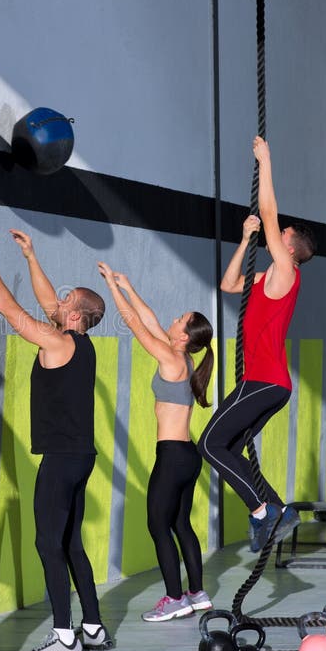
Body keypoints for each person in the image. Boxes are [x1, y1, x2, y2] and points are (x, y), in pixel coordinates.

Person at [0, 230, 112, 651]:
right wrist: (30, 256)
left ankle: (65, 637)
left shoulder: (59, 341)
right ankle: (93, 627)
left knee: (48, 544)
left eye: (66, 303)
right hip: (80, 456)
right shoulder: (79, 342)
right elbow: (49, 301)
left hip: (63, 458)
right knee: (70, 544)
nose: (58, 303)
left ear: (76, 315)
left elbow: (11, 313)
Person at [199, 136, 316, 553]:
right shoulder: (268, 278)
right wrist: (245, 241)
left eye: (279, 233)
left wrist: (266, 160)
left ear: (289, 247)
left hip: (263, 381)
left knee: (209, 444)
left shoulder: (286, 270)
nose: (275, 231)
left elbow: (268, 210)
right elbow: (229, 284)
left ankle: (262, 512)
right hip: (268, 383)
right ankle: (279, 510)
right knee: (229, 447)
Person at [98, 261, 215, 622]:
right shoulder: (183, 356)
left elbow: (135, 324)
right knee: (180, 523)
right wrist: (129, 284)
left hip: (172, 455)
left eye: (180, 318)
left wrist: (112, 289)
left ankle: (174, 598)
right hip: (188, 455)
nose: (174, 318)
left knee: (157, 524)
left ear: (183, 335)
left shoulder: (170, 357)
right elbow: (147, 319)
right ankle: (197, 592)